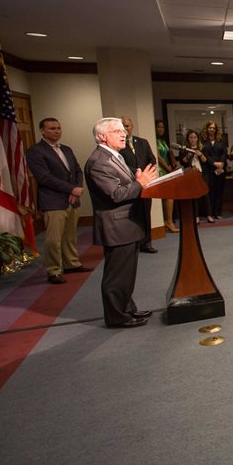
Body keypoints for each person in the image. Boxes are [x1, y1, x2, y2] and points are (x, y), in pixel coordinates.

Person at [84, 117, 157, 328]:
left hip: (126, 224)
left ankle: (127, 309)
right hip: (116, 226)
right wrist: (140, 182)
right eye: (117, 130)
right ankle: (117, 316)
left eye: (123, 129)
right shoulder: (99, 160)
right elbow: (115, 194)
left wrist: (137, 179)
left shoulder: (114, 156)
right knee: (117, 276)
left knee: (127, 273)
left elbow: (124, 184)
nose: (123, 133)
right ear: (102, 137)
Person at [26, 117, 89, 284]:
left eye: (59, 128)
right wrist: (70, 189)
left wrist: (77, 189)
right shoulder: (35, 151)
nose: (57, 131)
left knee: (70, 236)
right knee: (53, 239)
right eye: (52, 128)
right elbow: (44, 177)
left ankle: (71, 264)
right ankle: (53, 270)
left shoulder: (66, 149)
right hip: (53, 201)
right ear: (43, 131)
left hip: (72, 199)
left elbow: (77, 171)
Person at [120, 116, 158, 253]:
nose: (125, 129)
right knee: (132, 215)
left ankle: (146, 243)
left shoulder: (142, 142)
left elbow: (152, 159)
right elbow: (120, 166)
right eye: (122, 126)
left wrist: (148, 175)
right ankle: (133, 244)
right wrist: (137, 174)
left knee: (145, 214)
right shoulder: (118, 145)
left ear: (132, 126)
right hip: (130, 185)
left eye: (127, 126)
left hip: (146, 185)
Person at [176, 129, 209, 222]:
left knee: (205, 194)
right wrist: (189, 155)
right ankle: (196, 216)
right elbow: (182, 162)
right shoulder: (184, 149)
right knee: (194, 196)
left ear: (197, 139)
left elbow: (206, 161)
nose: (193, 139)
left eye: (195, 137)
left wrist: (200, 154)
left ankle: (209, 215)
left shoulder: (203, 147)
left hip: (202, 173)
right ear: (188, 138)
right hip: (190, 174)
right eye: (191, 137)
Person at [154, 119, 179, 232]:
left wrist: (173, 166)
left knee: (168, 197)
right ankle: (168, 222)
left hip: (166, 170)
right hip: (160, 171)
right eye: (159, 127)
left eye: (162, 127)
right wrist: (168, 169)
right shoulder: (154, 140)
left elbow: (168, 155)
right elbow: (158, 157)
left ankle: (167, 221)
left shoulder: (163, 141)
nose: (161, 129)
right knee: (168, 197)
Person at [201, 120, 227, 222]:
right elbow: (204, 156)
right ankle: (210, 213)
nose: (212, 129)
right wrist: (214, 164)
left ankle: (218, 212)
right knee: (210, 192)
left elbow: (224, 153)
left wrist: (220, 164)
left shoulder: (221, 140)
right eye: (210, 128)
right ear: (206, 129)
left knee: (219, 192)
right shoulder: (203, 141)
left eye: (213, 128)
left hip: (220, 170)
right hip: (208, 170)